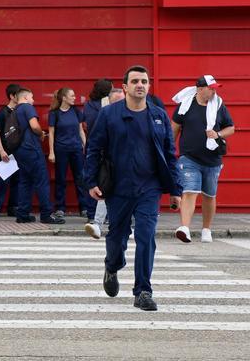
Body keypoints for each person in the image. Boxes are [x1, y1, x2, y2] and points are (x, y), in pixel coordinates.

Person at [84, 65, 182, 312]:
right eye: (136, 81)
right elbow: (93, 149)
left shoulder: (158, 116)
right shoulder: (108, 115)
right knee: (117, 238)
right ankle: (112, 266)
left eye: (145, 81)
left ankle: (143, 291)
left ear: (149, 86)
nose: (141, 85)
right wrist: (91, 182)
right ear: (125, 87)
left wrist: (176, 189)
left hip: (149, 188)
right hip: (118, 188)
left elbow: (170, 155)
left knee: (146, 236)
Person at [172, 75, 235, 243]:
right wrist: (169, 151)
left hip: (213, 159)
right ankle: (185, 228)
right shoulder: (185, 105)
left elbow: (231, 128)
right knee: (189, 191)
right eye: (211, 88)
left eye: (215, 88)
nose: (214, 91)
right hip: (189, 157)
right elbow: (174, 129)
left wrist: (218, 134)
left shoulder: (219, 105)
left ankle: (206, 229)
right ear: (200, 89)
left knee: (209, 195)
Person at [13, 88, 65, 225]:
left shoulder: (15, 110)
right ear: (24, 98)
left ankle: (22, 214)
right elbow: (34, 126)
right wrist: (41, 133)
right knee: (41, 181)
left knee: (25, 182)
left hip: (20, 150)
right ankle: (46, 214)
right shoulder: (27, 108)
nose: (33, 100)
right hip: (31, 149)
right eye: (31, 97)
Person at [84, 87, 125, 239]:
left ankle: (130, 225)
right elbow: (95, 144)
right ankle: (98, 224)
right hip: (109, 163)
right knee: (104, 192)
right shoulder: (105, 116)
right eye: (115, 102)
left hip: (130, 164)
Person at [47, 87, 90, 220]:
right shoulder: (54, 113)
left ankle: (84, 207)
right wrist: (51, 152)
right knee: (60, 179)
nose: (74, 97)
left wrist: (86, 147)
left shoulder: (76, 111)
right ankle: (60, 208)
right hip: (61, 150)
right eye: (72, 95)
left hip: (76, 149)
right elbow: (51, 134)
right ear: (64, 98)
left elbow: (81, 131)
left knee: (80, 178)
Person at [0, 83, 21, 218]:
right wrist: (1, 151)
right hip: (6, 152)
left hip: (19, 151)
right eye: (19, 95)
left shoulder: (21, 111)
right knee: (3, 181)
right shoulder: (3, 112)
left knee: (17, 181)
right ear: (12, 96)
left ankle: (13, 207)